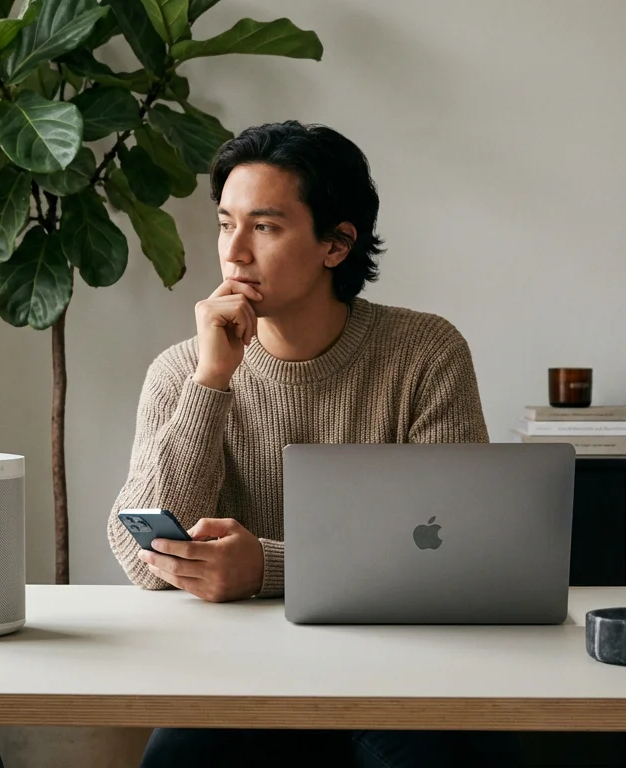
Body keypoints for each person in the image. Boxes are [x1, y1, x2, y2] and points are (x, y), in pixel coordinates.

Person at [106, 121, 518, 768]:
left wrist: (265, 569)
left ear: (336, 243)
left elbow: (462, 552)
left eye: (265, 227)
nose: (234, 252)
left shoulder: (425, 353)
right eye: (224, 223)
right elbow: (143, 561)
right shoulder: (180, 371)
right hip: (238, 679)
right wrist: (212, 379)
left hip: (399, 677)